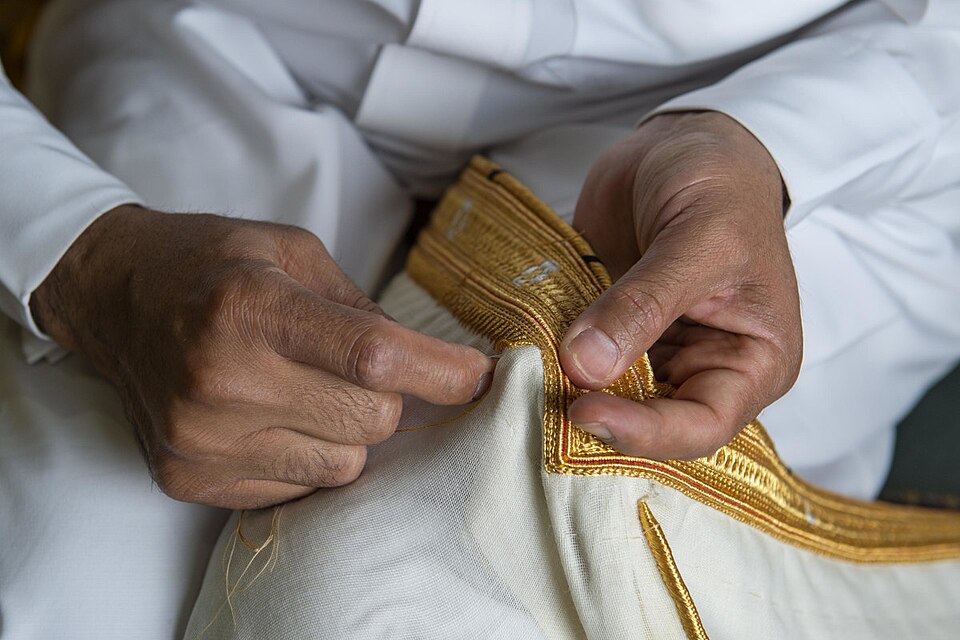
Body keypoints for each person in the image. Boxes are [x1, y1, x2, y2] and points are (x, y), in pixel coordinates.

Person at [1, 0, 958, 637]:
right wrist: (78, 252)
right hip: (228, 45)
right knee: (65, 591)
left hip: (800, 105)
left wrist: (780, 137)